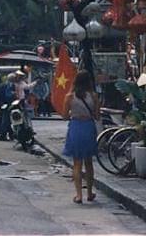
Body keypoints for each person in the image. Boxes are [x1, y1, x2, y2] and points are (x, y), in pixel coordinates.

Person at [61, 70, 99, 204]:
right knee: (89, 162)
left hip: (76, 127)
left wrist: (73, 112)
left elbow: (65, 116)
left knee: (77, 163)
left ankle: (78, 195)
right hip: (88, 127)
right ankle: (89, 193)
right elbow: (97, 116)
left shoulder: (70, 96)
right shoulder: (93, 96)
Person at [0, 73, 17, 141]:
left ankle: (10, 134)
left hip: (3, 105)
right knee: (7, 120)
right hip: (8, 105)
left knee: (7, 120)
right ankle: (4, 135)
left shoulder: (2, 86)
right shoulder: (11, 86)